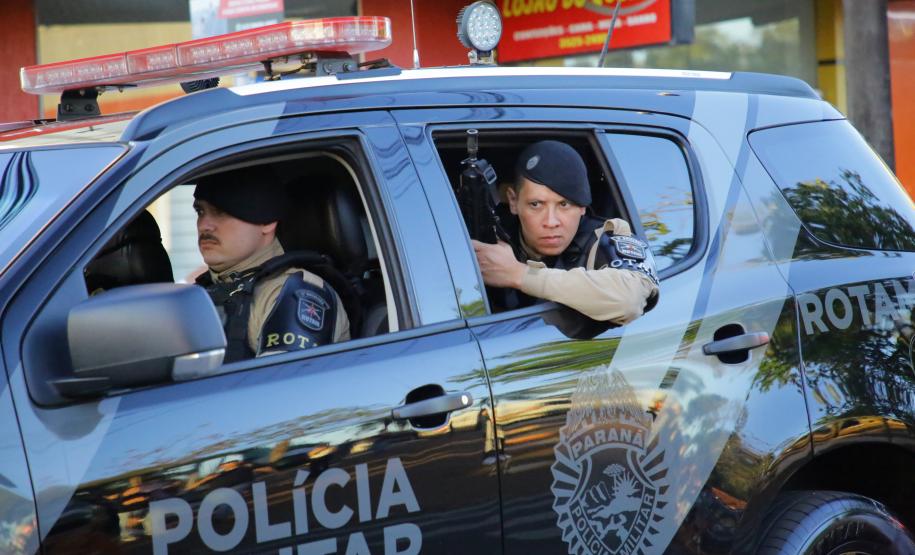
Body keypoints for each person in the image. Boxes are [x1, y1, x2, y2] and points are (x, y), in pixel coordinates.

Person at [472, 140, 659, 325]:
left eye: (564, 204)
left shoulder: (603, 238)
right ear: (513, 201)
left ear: (583, 205)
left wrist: (519, 275)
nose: (551, 222)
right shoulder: (490, 236)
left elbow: (628, 299)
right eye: (535, 205)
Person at [193, 166, 350, 363]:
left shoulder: (295, 293)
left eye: (221, 212)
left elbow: (285, 388)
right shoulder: (202, 291)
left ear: (266, 222)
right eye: (200, 211)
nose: (204, 225)